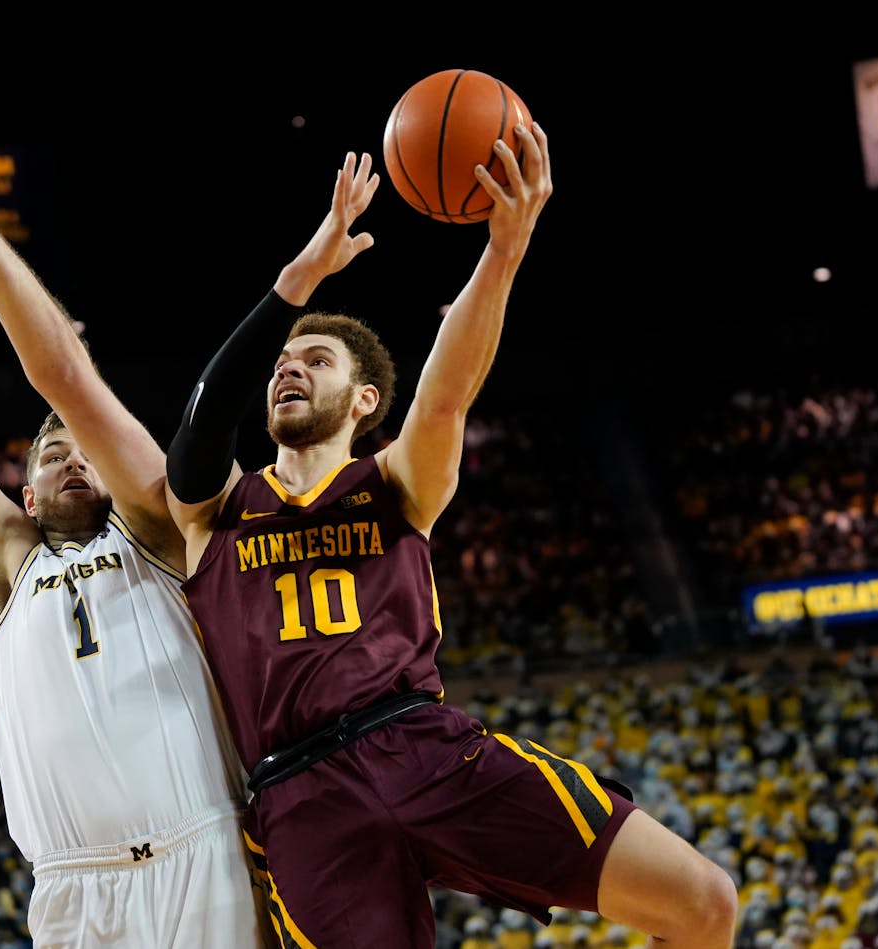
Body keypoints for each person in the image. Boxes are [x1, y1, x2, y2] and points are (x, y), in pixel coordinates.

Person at [164, 125, 740, 947]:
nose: (288, 367)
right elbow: (201, 418)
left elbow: (445, 394)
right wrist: (297, 283)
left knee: (703, 903)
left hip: (419, 744)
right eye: (281, 361)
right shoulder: (213, 509)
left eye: (316, 359)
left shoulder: (395, 482)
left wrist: (503, 250)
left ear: (365, 401)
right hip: (299, 798)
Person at [0, 104, 268, 948]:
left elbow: (72, 380)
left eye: (80, 445)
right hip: (71, 889)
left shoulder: (160, 528)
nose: (71, 456)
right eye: (49, 451)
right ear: (21, 485)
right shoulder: (1, 564)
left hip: (208, 852)